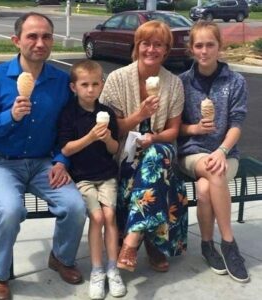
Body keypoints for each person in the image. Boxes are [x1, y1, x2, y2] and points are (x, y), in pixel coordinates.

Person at [0, 13, 86, 300]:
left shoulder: (61, 81)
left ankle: (60, 257)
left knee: (75, 206)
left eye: (46, 36)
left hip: (44, 162)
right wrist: (10, 116)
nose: (40, 42)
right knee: (9, 210)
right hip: (1, 163)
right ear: (16, 40)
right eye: (32, 36)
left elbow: (69, 128)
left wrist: (62, 160)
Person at [99, 20, 188, 273]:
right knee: (148, 168)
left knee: (155, 156)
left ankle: (131, 240)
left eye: (158, 45)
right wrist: (140, 115)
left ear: (166, 50)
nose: (151, 49)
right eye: (145, 44)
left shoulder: (174, 83)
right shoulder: (117, 79)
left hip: (161, 146)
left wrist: (153, 138)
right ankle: (152, 240)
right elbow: (112, 128)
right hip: (123, 148)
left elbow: (172, 130)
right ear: (136, 47)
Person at [177, 21, 249, 283]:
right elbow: (175, 129)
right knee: (213, 172)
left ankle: (208, 244)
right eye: (199, 45)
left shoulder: (235, 81)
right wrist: (194, 128)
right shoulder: (182, 82)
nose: (204, 50)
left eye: (210, 44)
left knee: (206, 188)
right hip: (192, 154)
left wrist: (222, 149)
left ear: (219, 46)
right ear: (191, 49)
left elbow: (237, 124)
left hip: (227, 153)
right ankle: (229, 242)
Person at [58, 60, 126, 299]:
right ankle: (97, 270)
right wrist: (89, 137)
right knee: (97, 217)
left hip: (106, 175)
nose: (90, 89)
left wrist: (107, 139)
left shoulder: (107, 113)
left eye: (95, 84)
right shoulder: (68, 114)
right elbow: (66, 149)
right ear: (73, 87)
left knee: (110, 216)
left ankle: (112, 268)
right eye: (84, 84)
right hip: (82, 177)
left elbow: (114, 149)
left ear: (102, 85)